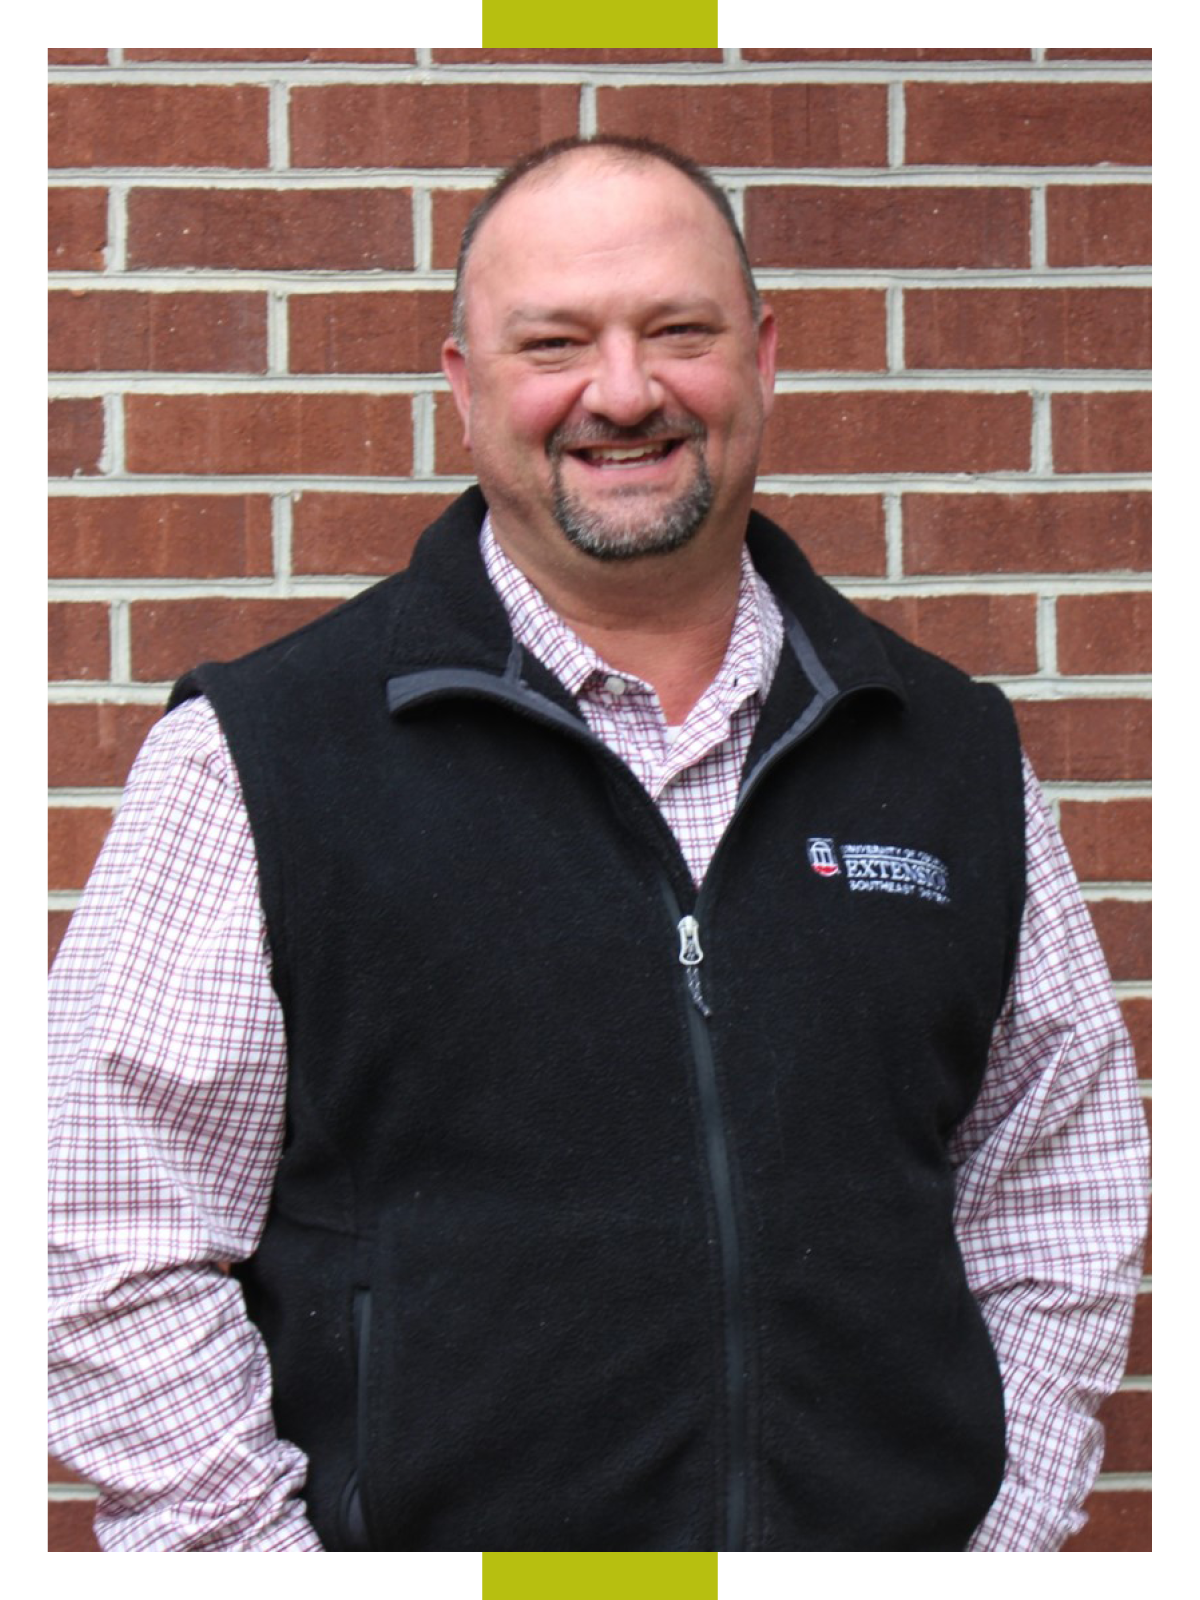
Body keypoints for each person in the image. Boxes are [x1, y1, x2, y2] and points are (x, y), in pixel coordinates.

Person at [48, 135, 1149, 1554]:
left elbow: (1056, 1186)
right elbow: (103, 1234)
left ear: (762, 359)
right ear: (464, 386)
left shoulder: (952, 754)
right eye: (554, 343)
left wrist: (1001, 1552)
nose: (623, 393)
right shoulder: (259, 758)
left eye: (678, 332)